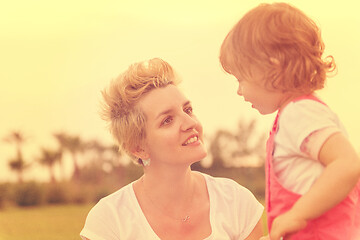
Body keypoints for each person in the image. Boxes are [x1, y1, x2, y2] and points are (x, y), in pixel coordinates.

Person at [80, 58, 264, 240]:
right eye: (167, 120)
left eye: (188, 110)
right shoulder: (109, 222)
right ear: (138, 148)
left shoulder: (237, 203)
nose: (190, 123)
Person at [219, 2, 360, 240]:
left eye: (241, 79)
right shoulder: (294, 116)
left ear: (271, 66)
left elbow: (347, 164)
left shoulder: (299, 113)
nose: (239, 91)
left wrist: (298, 214)